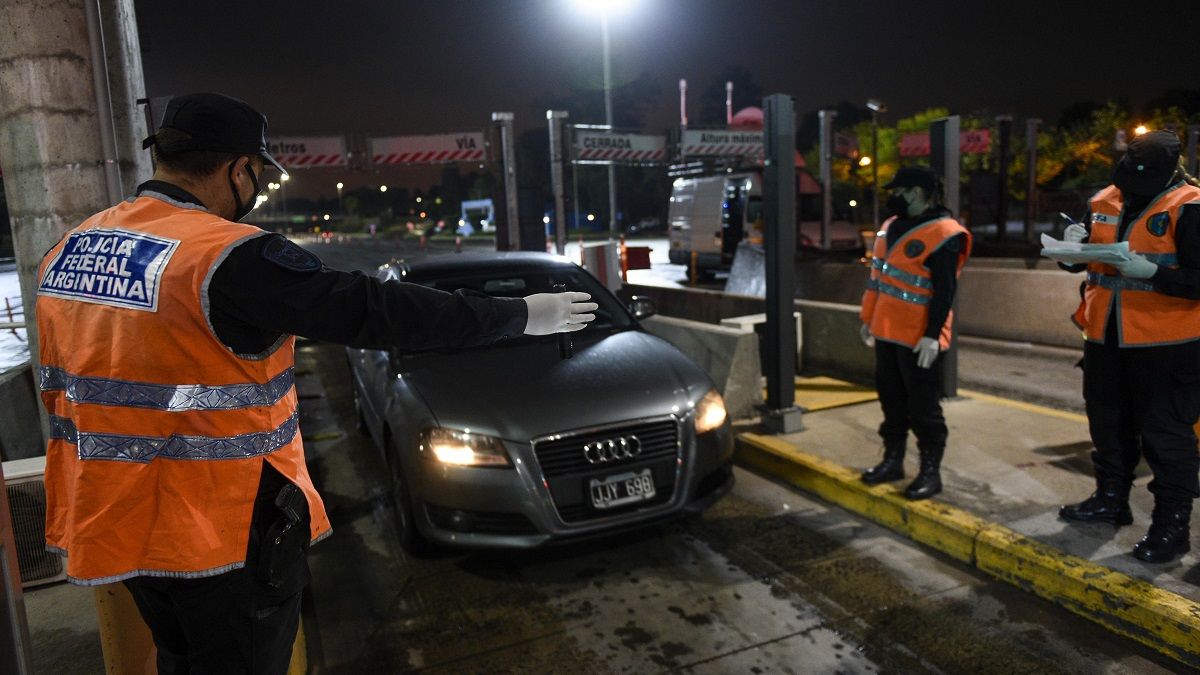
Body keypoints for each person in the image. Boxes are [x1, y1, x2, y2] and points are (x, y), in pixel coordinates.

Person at [34, 92, 596, 674]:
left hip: (118, 523)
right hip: (219, 532)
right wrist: (522, 315)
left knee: (179, 659)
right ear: (239, 169)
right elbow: (373, 309)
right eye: (256, 177)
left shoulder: (69, 249)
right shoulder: (224, 256)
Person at [1057, 130, 1200, 564]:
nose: (1129, 190)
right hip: (1105, 337)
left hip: (1168, 345)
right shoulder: (1106, 199)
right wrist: (1070, 250)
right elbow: (1090, 262)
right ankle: (1110, 501)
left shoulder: (1190, 206)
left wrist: (1152, 273)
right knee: (1107, 426)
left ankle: (1171, 529)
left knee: (1166, 437)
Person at [858, 166, 972, 500]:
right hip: (885, 331)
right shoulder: (890, 227)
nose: (894, 196)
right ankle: (892, 461)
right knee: (891, 401)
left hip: (919, 337)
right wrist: (868, 319)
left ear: (919, 192)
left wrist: (933, 336)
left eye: (901, 191)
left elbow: (944, 291)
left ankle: (930, 472)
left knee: (924, 408)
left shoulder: (945, 233)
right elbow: (878, 280)